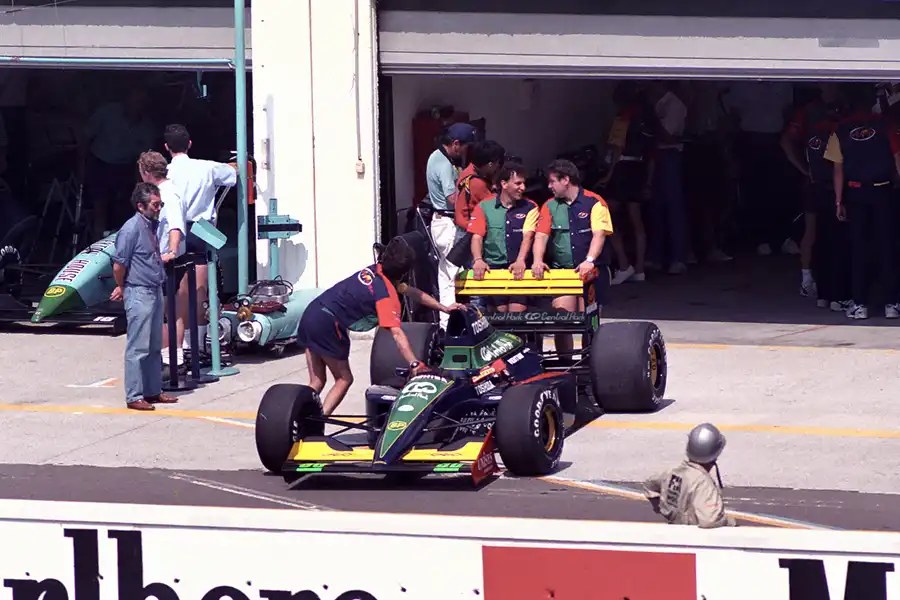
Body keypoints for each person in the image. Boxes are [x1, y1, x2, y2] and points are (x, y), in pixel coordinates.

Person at [296, 237, 463, 416]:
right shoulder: (386, 295)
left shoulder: (376, 270)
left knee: (317, 381)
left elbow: (414, 293)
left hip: (311, 314)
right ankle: (318, 421)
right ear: (403, 272)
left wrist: (443, 308)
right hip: (328, 323)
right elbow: (397, 333)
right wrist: (415, 363)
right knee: (344, 379)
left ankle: (295, 417)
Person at [824, 83, 900, 320]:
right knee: (888, 248)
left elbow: (838, 169)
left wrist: (838, 201)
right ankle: (892, 304)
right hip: (884, 192)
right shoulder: (888, 125)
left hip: (855, 194)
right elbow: (898, 160)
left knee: (859, 250)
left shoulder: (840, 129)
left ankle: (860, 305)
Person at [163, 124, 238, 349]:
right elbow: (234, 173)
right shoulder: (207, 168)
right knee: (198, 292)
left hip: (173, 232)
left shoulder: (165, 173)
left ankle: (181, 348)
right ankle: (198, 346)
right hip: (200, 230)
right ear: (190, 144)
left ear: (167, 147)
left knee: (174, 293)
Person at [531, 159, 614, 355]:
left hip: (593, 271)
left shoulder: (595, 202)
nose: (549, 186)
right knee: (562, 321)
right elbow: (541, 236)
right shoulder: (549, 206)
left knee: (590, 323)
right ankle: (565, 365)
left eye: (552, 182)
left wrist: (589, 260)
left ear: (566, 180)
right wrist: (537, 260)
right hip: (563, 271)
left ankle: (589, 364)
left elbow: (599, 234)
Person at [109, 182, 179, 411]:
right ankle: (134, 395)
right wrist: (123, 287)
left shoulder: (151, 225)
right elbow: (119, 264)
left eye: (160, 204)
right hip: (139, 291)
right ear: (141, 206)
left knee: (154, 345)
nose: (159, 208)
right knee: (138, 347)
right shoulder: (131, 229)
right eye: (155, 204)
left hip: (154, 289)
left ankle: (152, 390)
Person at [781, 83, 851, 310]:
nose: (832, 90)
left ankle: (836, 287)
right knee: (814, 232)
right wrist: (803, 168)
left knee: (839, 236)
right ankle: (807, 279)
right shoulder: (809, 112)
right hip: (817, 183)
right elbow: (786, 141)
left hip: (843, 183)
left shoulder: (847, 109)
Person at [599, 81, 658, 285]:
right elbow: (652, 156)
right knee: (637, 222)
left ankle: (624, 265)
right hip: (640, 170)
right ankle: (640, 270)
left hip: (623, 170)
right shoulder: (649, 121)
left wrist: (608, 176)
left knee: (609, 217)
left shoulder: (622, 119)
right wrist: (648, 182)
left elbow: (616, 151)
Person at [79, 88, 156, 239]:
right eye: (136, 100)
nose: (138, 105)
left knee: (127, 206)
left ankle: (124, 242)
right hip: (100, 162)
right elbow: (85, 137)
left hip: (125, 168)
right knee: (99, 207)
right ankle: (96, 241)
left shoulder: (147, 126)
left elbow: (144, 157)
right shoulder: (107, 112)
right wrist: (81, 165)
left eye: (142, 102)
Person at [138, 150, 189, 367]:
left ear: (147, 172)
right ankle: (171, 357)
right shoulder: (164, 192)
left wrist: (172, 251)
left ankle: (171, 359)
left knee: (163, 310)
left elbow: (176, 225)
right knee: (168, 310)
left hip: (166, 260)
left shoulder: (168, 194)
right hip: (161, 258)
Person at [424, 121, 477, 330]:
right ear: (456, 144)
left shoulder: (441, 158)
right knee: (450, 273)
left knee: (449, 271)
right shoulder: (444, 164)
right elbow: (453, 198)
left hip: (446, 223)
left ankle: (455, 321)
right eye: (465, 146)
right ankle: (449, 326)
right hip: (447, 224)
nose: (466, 151)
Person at [467, 161, 540, 313]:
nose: (523, 188)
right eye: (518, 183)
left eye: (524, 183)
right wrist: (478, 260)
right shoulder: (484, 206)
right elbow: (476, 237)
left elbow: (528, 236)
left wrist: (520, 260)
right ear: (504, 184)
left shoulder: (531, 207)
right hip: (493, 269)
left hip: (520, 269)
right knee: (499, 315)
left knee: (517, 313)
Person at [642, 423, 737, 529]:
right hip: (694, 538)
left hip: (673, 527)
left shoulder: (672, 472)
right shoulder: (702, 483)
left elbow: (649, 486)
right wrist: (728, 522)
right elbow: (709, 521)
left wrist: (662, 508)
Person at [646, 81, 690, 275]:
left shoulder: (674, 105)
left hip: (671, 155)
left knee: (674, 207)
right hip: (655, 156)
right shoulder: (658, 103)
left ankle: (679, 257)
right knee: (656, 208)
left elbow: (669, 136)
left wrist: (651, 121)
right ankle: (657, 256)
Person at [453, 139, 505, 230]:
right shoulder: (477, 184)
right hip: (469, 231)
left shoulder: (467, 172)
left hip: (462, 226)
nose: (498, 167)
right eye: (498, 163)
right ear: (490, 165)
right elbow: (495, 207)